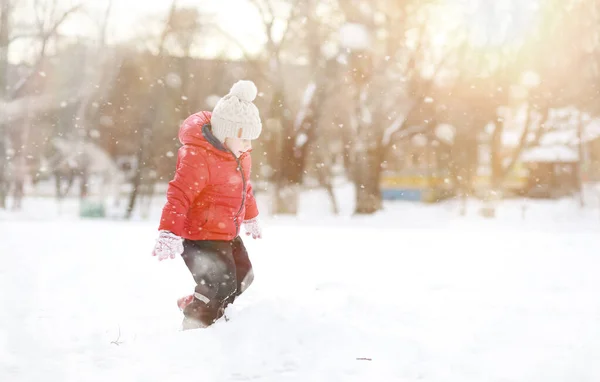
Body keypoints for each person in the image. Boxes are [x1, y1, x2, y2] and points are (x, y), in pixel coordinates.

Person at [151, 80, 263, 330]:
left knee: (243, 277)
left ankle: (205, 305)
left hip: (226, 233)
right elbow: (178, 195)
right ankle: (195, 325)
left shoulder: (241, 157)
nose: (249, 146)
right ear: (225, 134)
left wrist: (251, 217)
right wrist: (169, 232)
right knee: (218, 285)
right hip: (199, 236)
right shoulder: (198, 157)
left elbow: (244, 189)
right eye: (244, 139)